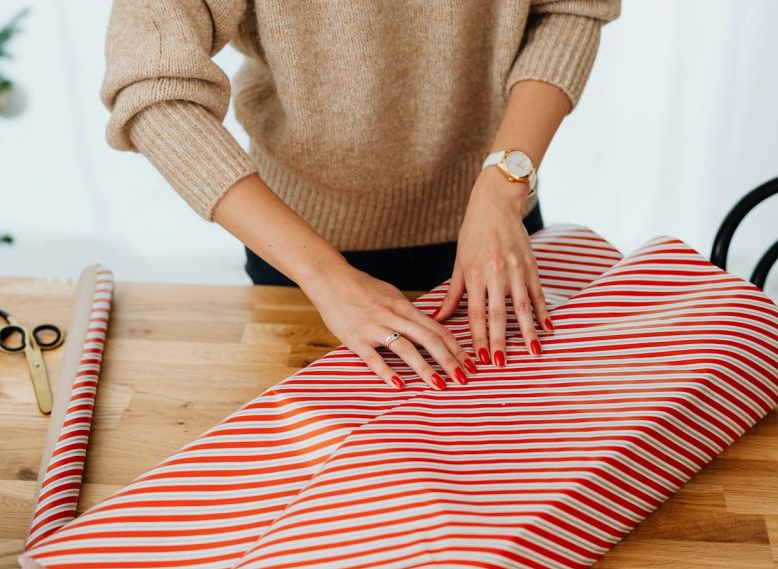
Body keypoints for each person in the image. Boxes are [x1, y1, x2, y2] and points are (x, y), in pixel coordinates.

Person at [101, 0, 620, 391]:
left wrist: (501, 189)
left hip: (497, 225)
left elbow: (571, 9)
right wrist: (324, 276)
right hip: (300, 253)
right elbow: (151, 87)